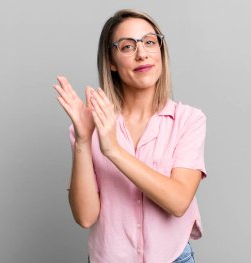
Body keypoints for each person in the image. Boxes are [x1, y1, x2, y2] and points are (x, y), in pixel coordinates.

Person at [53, 9, 207, 263]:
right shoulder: (90, 124)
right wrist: (82, 140)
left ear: (160, 50)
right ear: (111, 61)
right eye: (127, 46)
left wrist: (113, 150)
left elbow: (178, 201)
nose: (142, 53)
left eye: (149, 42)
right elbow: (85, 217)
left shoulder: (188, 120)